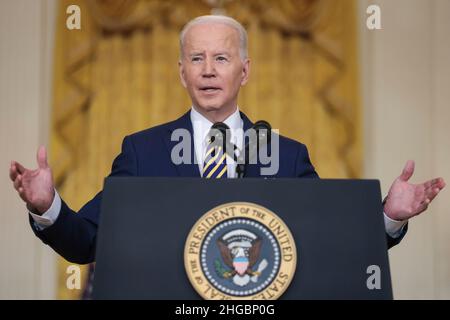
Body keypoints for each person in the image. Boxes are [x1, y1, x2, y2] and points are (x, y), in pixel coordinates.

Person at [9, 15, 445, 264]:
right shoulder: (142, 152)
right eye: (196, 59)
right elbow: (87, 242)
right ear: (182, 72)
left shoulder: (287, 156)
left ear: (245, 70)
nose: (208, 69)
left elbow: (330, 238)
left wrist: (388, 215)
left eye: (222, 57)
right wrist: (47, 207)